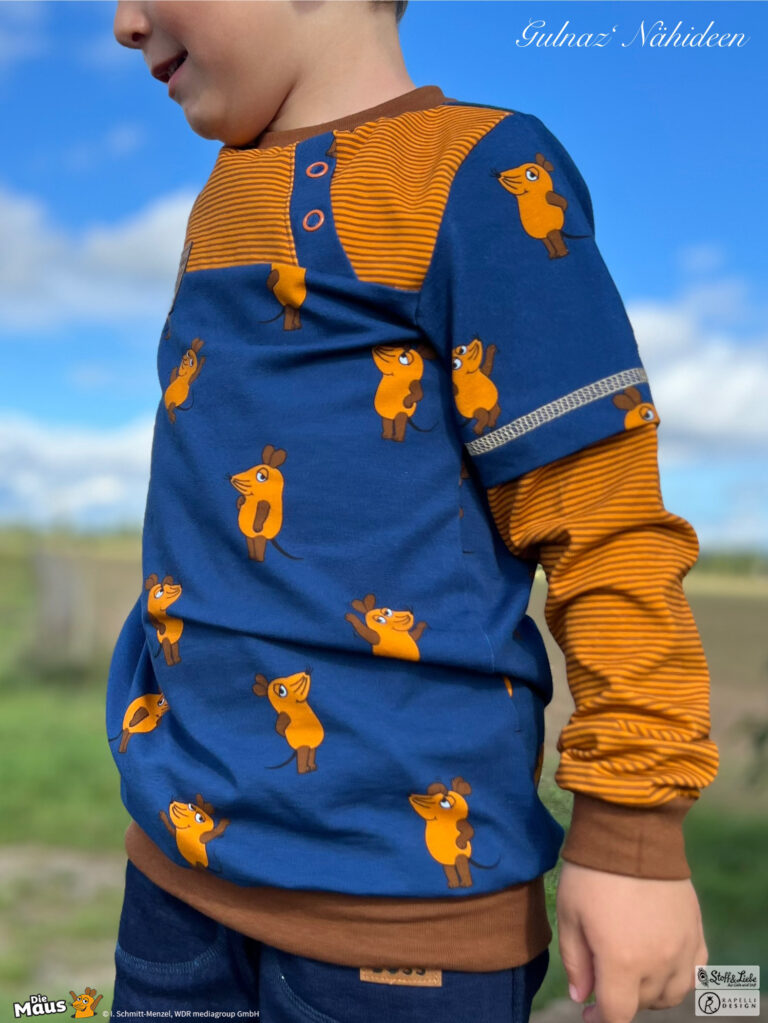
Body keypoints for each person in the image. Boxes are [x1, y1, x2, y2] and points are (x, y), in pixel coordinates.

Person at [107, 2, 720, 1021]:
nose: (124, 22)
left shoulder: (480, 170)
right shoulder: (222, 197)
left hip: (406, 925)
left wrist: (633, 833)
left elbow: (601, 520)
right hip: (173, 887)